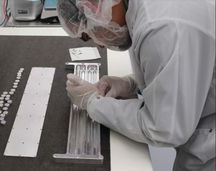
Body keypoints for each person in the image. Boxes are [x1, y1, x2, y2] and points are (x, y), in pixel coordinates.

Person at [57, 0, 215, 170]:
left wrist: (93, 103)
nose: (101, 44)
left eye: (89, 33)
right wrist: (132, 84)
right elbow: (186, 65)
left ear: (92, 6)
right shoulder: (140, 8)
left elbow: (164, 129)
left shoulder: (160, 26)